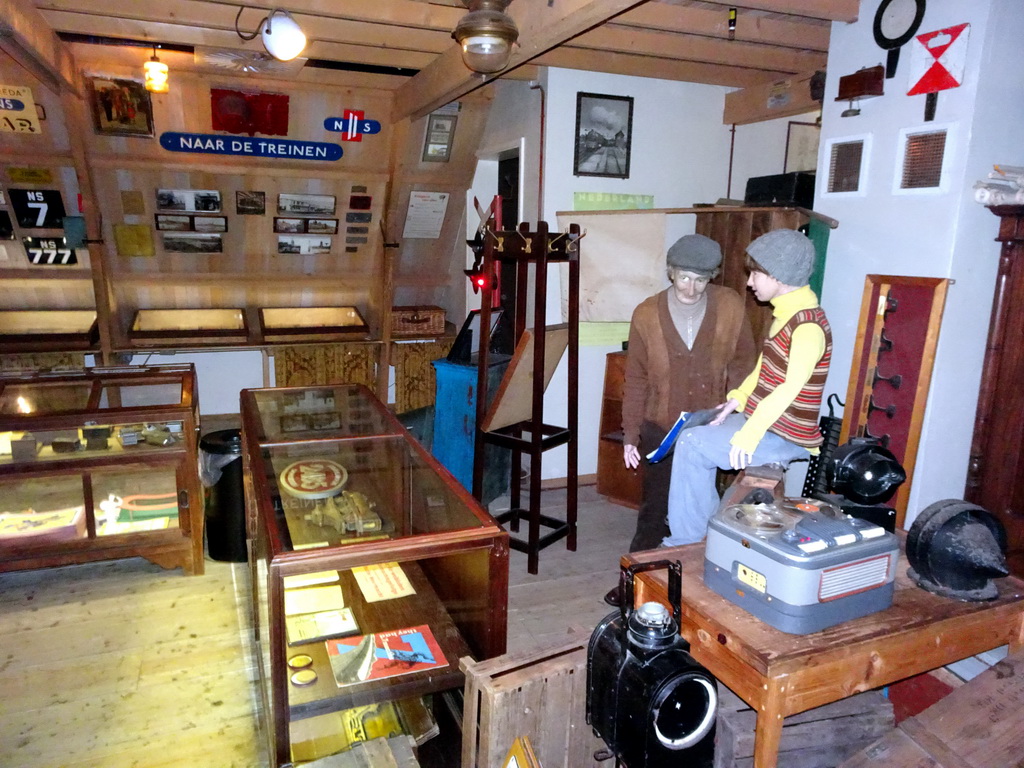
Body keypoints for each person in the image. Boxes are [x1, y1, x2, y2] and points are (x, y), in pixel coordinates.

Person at [605, 233, 755, 606]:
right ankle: (633, 583)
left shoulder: (732, 306)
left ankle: (704, 584)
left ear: (712, 277)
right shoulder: (646, 314)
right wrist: (630, 435)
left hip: (713, 424)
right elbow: (636, 379)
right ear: (671, 272)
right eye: (685, 277)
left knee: (713, 507)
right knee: (654, 509)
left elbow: (744, 364)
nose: (692, 287)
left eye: (702, 279)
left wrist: (737, 411)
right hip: (662, 426)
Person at [663, 228, 831, 547]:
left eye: (756, 273)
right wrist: (736, 400)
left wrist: (749, 433)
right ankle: (704, 531)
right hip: (766, 423)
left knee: (692, 444)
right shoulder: (787, 314)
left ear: (779, 275)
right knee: (693, 430)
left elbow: (788, 390)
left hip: (786, 434)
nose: (750, 281)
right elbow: (763, 369)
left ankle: (685, 543)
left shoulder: (807, 327)